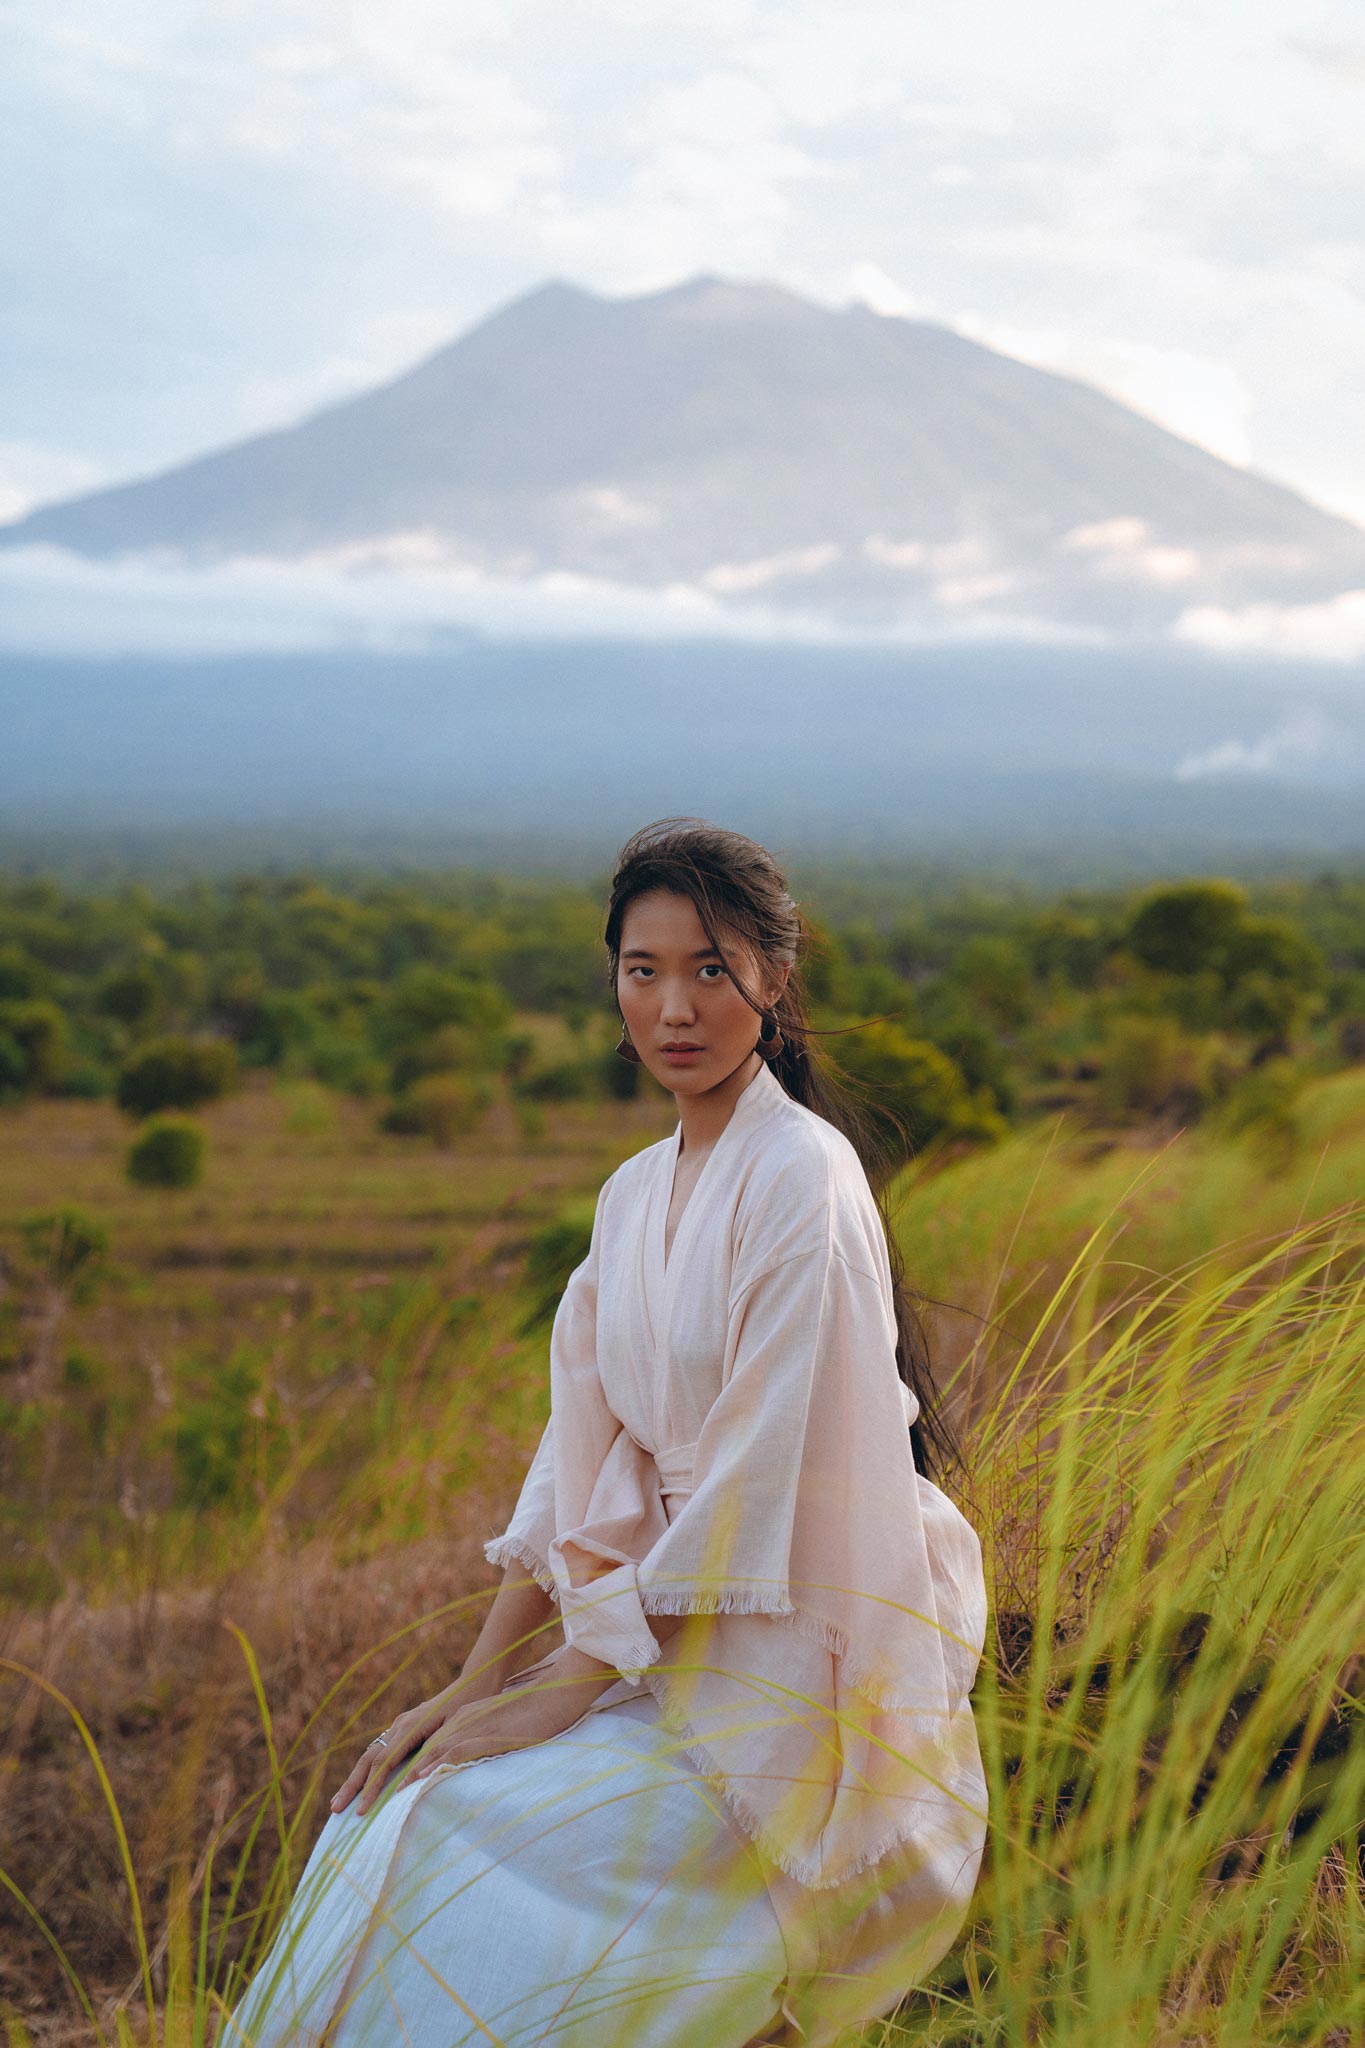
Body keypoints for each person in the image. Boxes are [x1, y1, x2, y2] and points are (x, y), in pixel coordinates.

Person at [222, 818, 989, 2048]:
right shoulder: (630, 1194)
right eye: (644, 969)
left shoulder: (805, 1173)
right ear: (612, 982)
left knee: (465, 1839)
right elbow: (576, 1467)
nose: (674, 1006)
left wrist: (563, 1689)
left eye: (710, 968)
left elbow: (753, 1480)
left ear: (774, 981)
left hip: (801, 1635)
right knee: (395, 1808)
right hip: (670, 1626)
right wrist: (474, 1687)